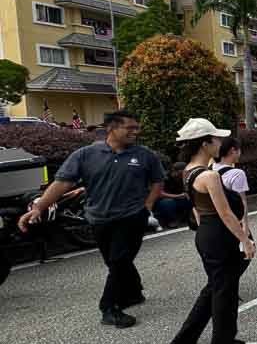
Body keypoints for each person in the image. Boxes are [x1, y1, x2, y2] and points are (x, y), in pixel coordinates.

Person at [19, 110, 163, 328]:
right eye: (130, 128)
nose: (136, 132)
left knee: (119, 260)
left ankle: (109, 307)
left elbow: (158, 181)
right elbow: (63, 183)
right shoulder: (85, 155)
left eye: (137, 128)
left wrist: (148, 206)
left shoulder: (144, 155)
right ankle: (133, 292)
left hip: (132, 216)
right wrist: (39, 207)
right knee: (114, 261)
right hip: (99, 218)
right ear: (112, 128)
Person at [167, 118, 257, 344]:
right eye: (216, 139)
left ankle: (184, 340)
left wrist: (206, 232)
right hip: (220, 235)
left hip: (205, 234)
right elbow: (225, 213)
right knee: (225, 292)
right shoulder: (209, 176)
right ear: (204, 143)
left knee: (215, 287)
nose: (220, 143)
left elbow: (196, 210)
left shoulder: (187, 172)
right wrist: (245, 240)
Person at [212, 136, 250, 230]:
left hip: (214, 222)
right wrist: (245, 225)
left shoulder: (209, 169)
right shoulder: (237, 173)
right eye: (239, 150)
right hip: (233, 221)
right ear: (233, 150)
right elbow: (242, 202)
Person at [151, 162, 193, 229]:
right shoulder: (164, 178)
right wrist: (178, 196)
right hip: (164, 200)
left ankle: (189, 217)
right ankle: (171, 220)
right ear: (176, 171)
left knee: (191, 199)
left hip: (179, 198)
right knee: (167, 203)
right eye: (182, 172)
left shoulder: (185, 177)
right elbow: (159, 194)